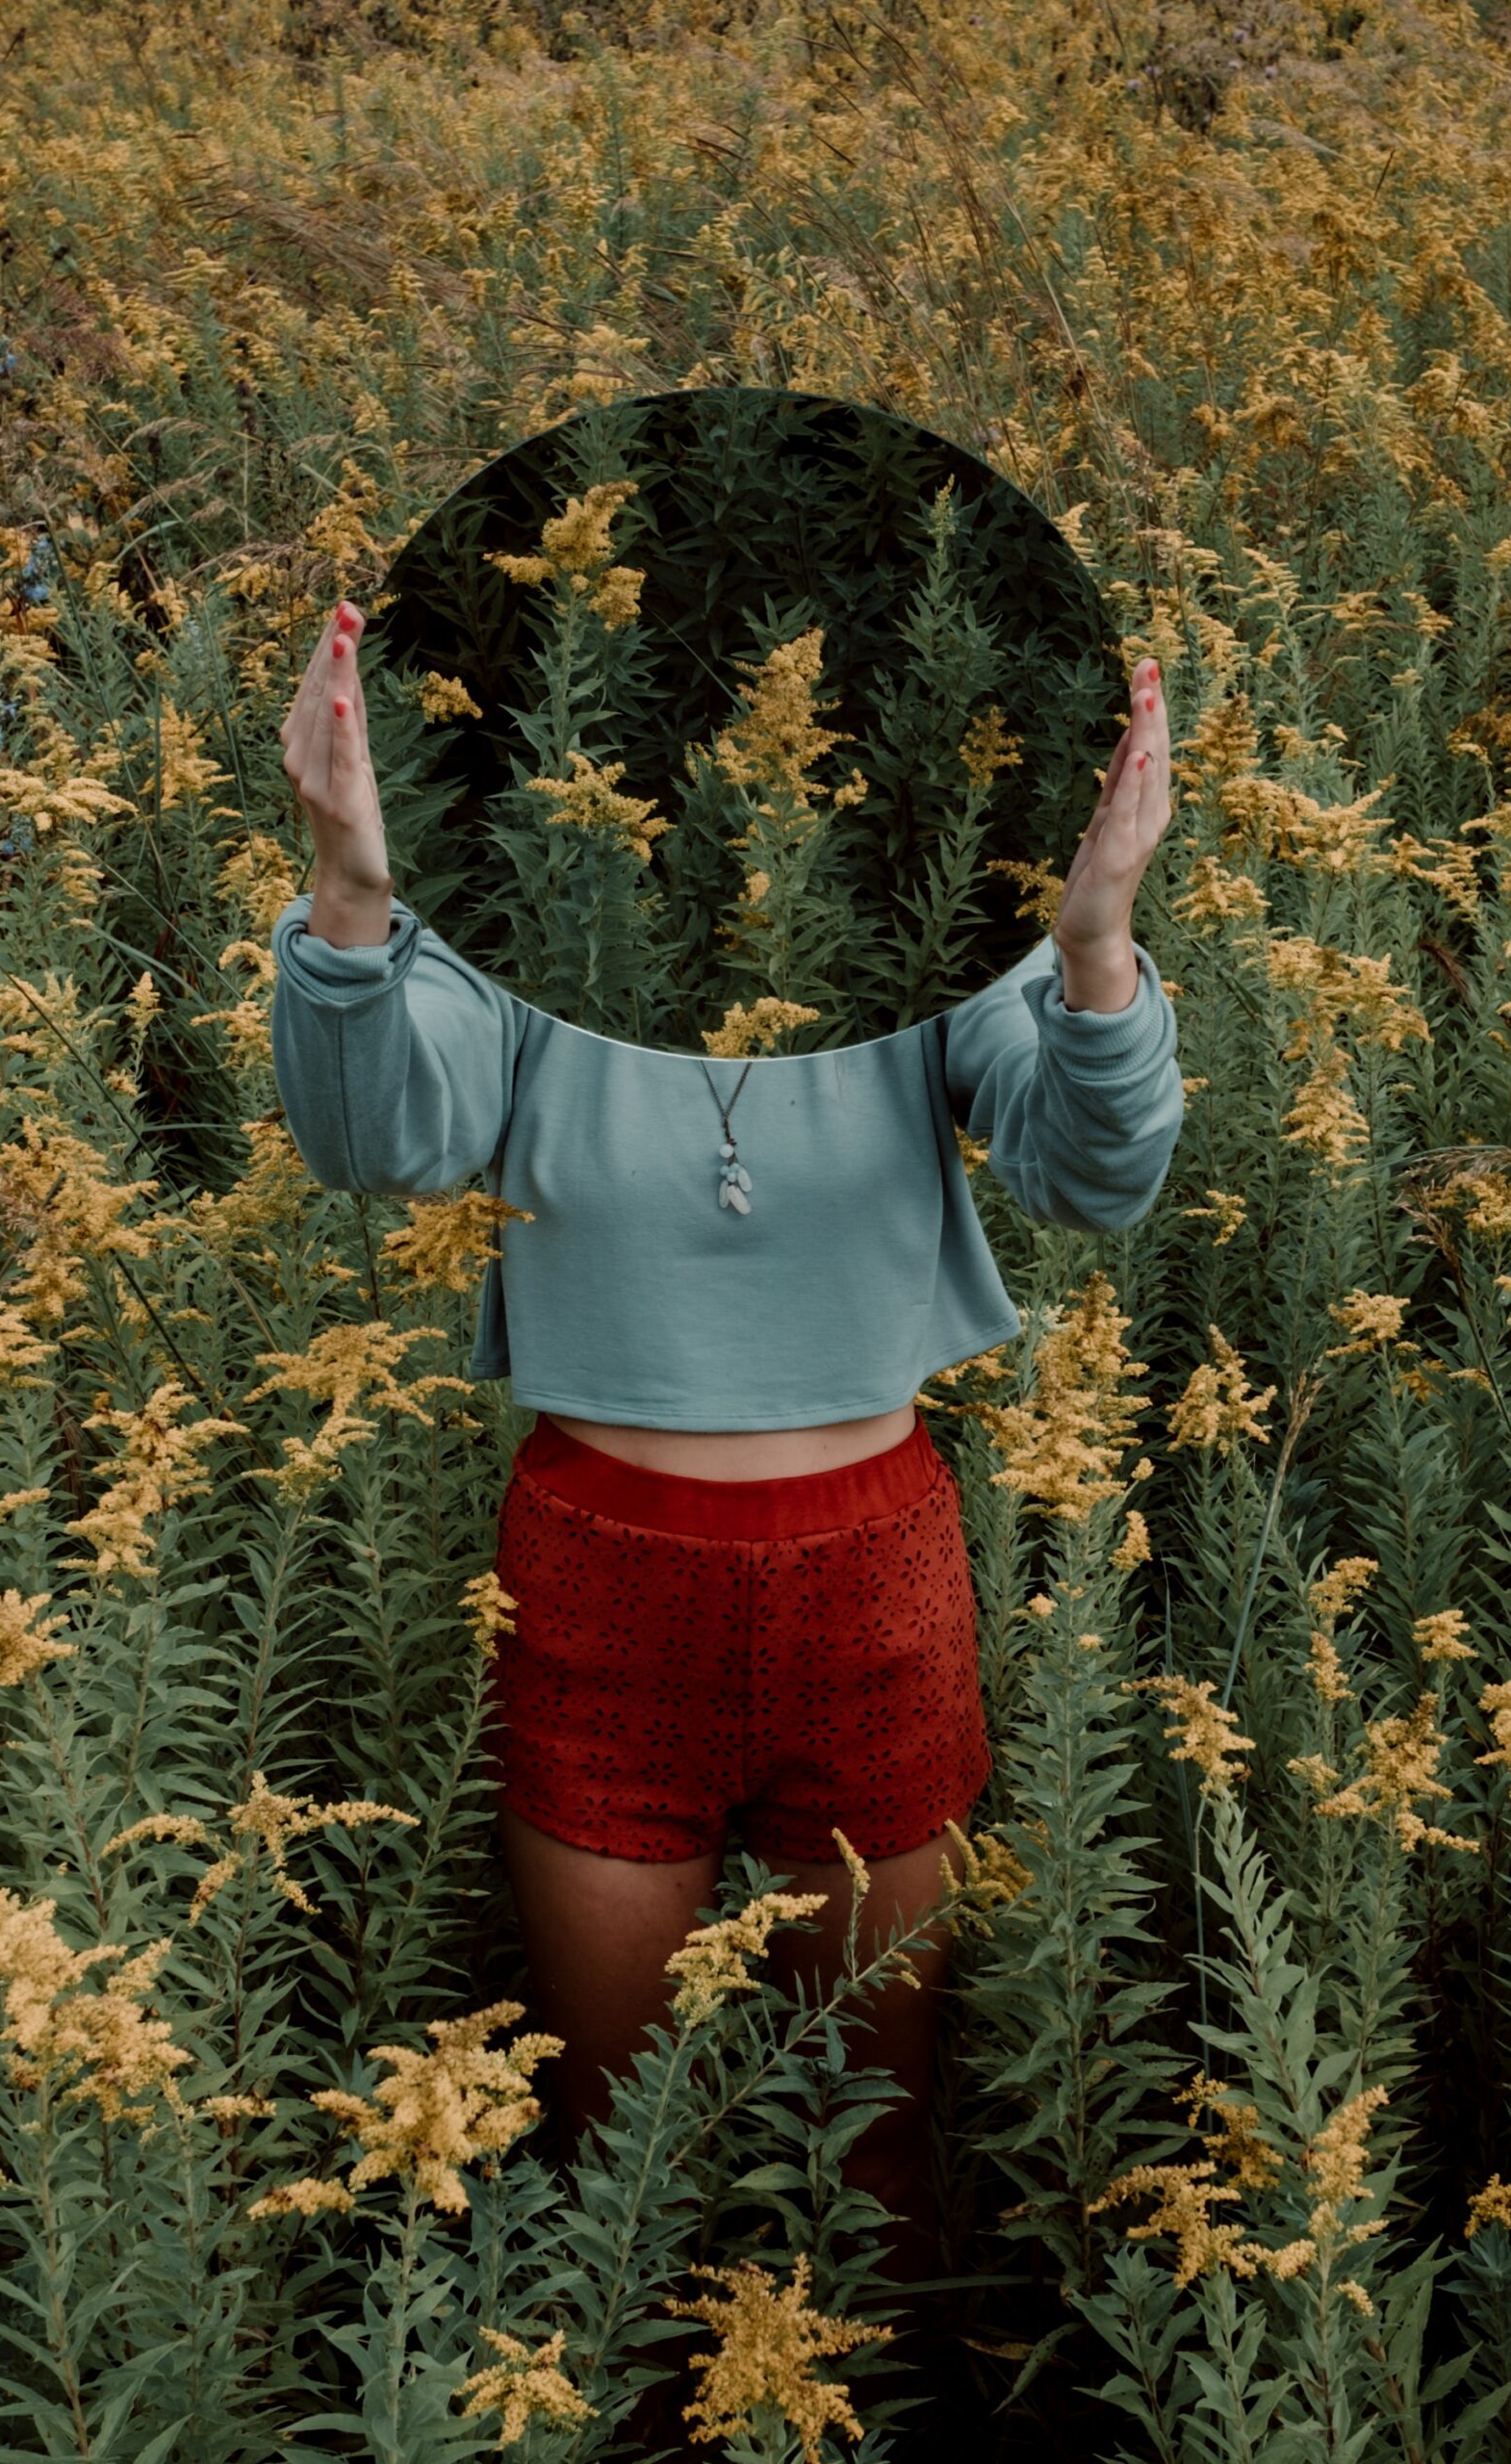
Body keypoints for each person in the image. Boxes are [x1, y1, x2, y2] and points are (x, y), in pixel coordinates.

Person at [269, 596, 1182, 2301]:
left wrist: (1094, 948)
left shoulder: (941, 960)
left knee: (881, 2145)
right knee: (625, 2161)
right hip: (602, 1584)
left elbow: (1093, 1174)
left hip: (877, 1577)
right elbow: (381, 1137)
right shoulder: (520, 940)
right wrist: (352, 890)